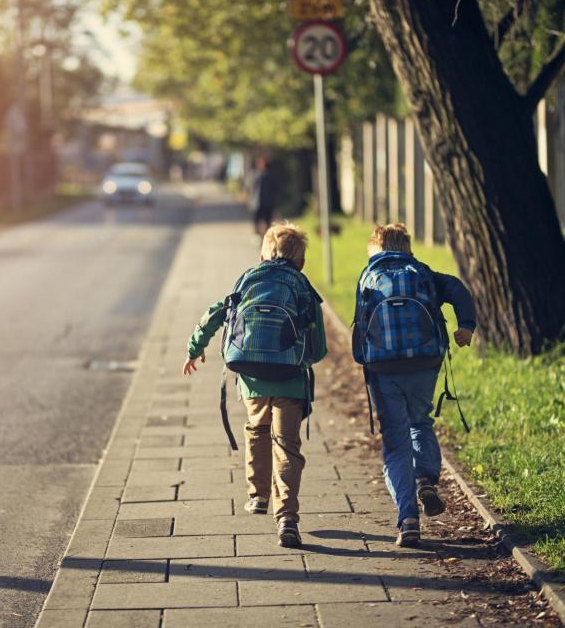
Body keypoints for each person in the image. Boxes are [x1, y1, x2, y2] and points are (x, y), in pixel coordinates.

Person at [181, 223, 328, 547]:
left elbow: (217, 312)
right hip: (289, 377)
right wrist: (308, 358)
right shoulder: (301, 284)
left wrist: (195, 348)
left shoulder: (249, 278)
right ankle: (287, 516)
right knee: (287, 445)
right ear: (300, 261)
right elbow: (317, 342)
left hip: (251, 375)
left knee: (257, 430)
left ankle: (258, 494)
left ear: (263, 253)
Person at [352, 224, 476, 547]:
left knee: (395, 439)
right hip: (424, 362)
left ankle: (408, 519)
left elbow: (358, 330)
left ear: (375, 249)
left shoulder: (368, 276)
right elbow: (458, 289)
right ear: (407, 247)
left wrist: (364, 361)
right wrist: (466, 326)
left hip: (384, 368)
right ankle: (426, 478)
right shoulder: (422, 271)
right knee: (420, 421)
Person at [252, 158, 280, 236]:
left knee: (267, 220)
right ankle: (257, 233)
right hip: (258, 201)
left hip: (267, 202)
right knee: (257, 219)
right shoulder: (256, 175)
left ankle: (266, 235)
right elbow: (252, 189)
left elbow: (275, 189)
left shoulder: (269, 176)